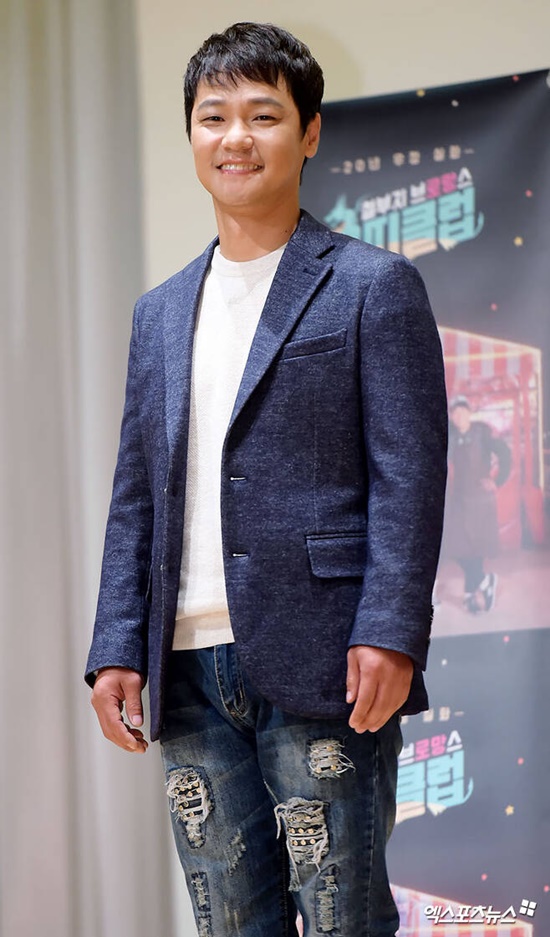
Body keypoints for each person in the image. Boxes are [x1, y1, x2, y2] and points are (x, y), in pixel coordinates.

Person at [86, 22, 447, 937]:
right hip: (185, 666)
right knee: (229, 924)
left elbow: (409, 475)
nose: (235, 137)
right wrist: (117, 643)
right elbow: (136, 492)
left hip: (325, 657)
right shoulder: (159, 312)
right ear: (191, 135)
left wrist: (391, 628)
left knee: (341, 918)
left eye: (263, 115)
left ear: (310, 132)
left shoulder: (372, 284)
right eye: (214, 117)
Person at [444, 395, 511, 614]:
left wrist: (497, 480)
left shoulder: (482, 432)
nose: (458, 416)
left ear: (469, 413)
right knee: (458, 546)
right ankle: (485, 581)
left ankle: (470, 594)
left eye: (462, 411)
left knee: (475, 548)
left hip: (480, 500)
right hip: (460, 498)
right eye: (454, 413)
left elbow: (505, 453)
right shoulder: (452, 436)